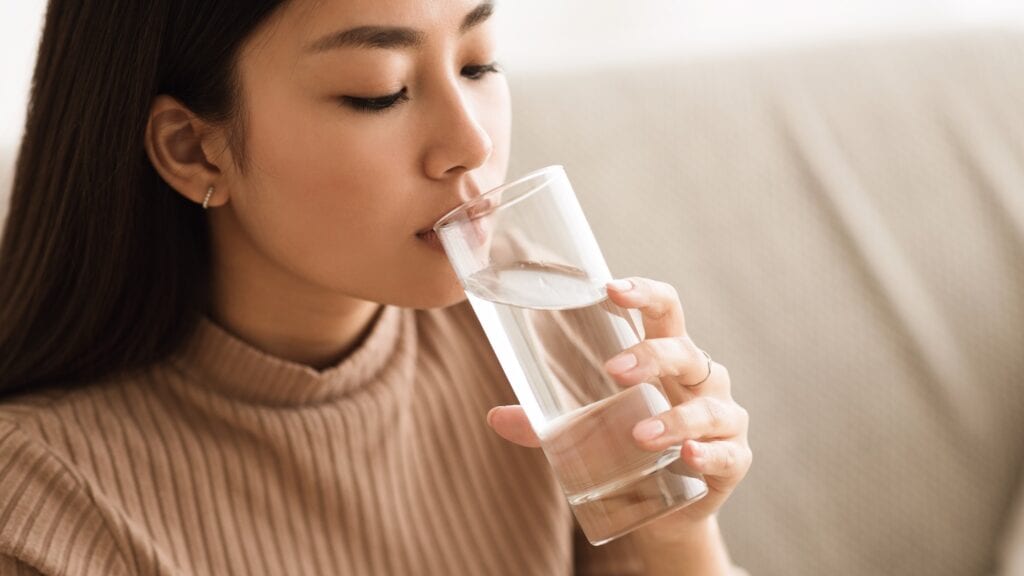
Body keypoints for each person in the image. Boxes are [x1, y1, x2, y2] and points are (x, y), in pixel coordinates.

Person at [0, 1, 752, 574]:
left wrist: (675, 534)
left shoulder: (542, 315)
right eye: (380, 92)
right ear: (194, 150)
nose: (472, 145)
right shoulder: (44, 502)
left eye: (478, 64)